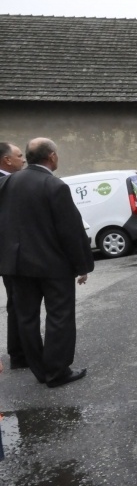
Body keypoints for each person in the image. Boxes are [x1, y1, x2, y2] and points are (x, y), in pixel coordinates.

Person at [0, 138, 94, 388]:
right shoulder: (54, 185)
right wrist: (82, 265)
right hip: (52, 266)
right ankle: (56, 371)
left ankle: (39, 369)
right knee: (59, 316)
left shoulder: (7, 181)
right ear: (51, 156)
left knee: (26, 317)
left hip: (17, 265)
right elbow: (70, 230)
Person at [0, 142, 27, 370]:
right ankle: (21, 354)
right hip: (11, 255)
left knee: (16, 304)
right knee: (21, 304)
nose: (24, 159)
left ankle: (19, 353)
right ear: (7, 160)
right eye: (19, 156)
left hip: (9, 254)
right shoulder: (6, 182)